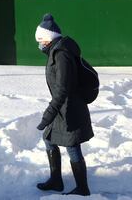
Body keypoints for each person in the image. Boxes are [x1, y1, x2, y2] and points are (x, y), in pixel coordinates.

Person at [35, 13, 94, 196]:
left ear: (48, 38)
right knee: (48, 138)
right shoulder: (57, 50)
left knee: (72, 146)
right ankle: (56, 180)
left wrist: (48, 115)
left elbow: (62, 89)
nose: (39, 43)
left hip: (71, 109)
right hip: (63, 107)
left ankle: (82, 189)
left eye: (40, 39)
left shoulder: (62, 55)